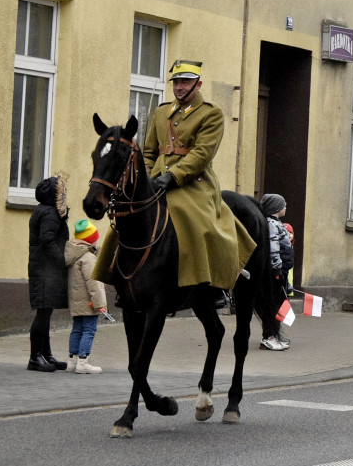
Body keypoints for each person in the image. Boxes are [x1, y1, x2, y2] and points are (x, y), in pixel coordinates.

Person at [96, 60, 256, 297]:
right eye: (177, 82)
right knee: (126, 216)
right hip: (156, 179)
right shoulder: (162, 112)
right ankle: (118, 277)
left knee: (197, 221)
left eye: (185, 82)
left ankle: (209, 286)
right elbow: (149, 152)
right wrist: (147, 179)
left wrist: (174, 175)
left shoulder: (211, 114)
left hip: (195, 181)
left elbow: (202, 154)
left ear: (198, 84)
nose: (179, 87)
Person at [28, 175, 69, 372]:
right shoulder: (50, 213)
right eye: (62, 192)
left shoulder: (44, 210)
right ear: (54, 194)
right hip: (45, 270)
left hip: (43, 269)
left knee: (46, 312)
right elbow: (47, 239)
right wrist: (63, 260)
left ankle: (45, 355)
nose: (64, 195)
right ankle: (35, 357)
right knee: (43, 313)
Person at [64, 219, 108, 373]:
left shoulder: (75, 255)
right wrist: (99, 304)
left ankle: (72, 360)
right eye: (95, 237)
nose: (97, 239)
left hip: (77, 301)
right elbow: (93, 283)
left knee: (77, 329)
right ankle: (83, 362)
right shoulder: (88, 258)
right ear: (89, 240)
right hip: (89, 302)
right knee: (89, 330)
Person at [259, 193, 293, 351]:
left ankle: (275, 334)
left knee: (278, 304)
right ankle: (269, 337)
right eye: (283, 204)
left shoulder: (276, 223)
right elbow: (273, 249)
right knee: (271, 305)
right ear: (276, 208)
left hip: (280, 271)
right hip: (275, 272)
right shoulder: (271, 224)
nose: (286, 207)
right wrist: (277, 269)